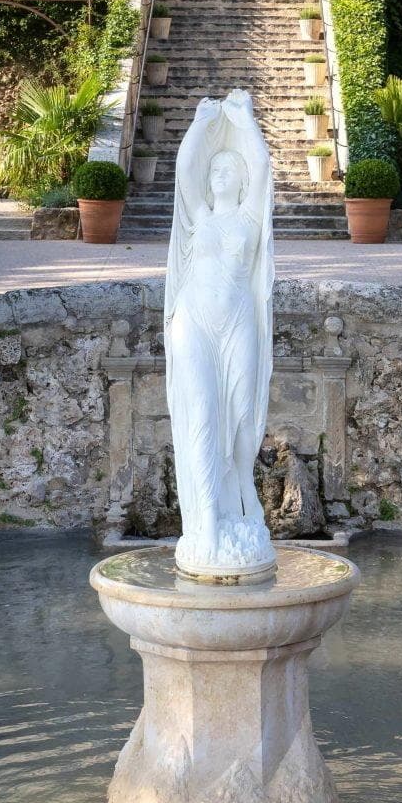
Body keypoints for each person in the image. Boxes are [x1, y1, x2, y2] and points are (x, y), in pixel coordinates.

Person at [162, 89, 277, 579]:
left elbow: (263, 164)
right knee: (205, 417)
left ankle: (241, 494)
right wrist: (199, 124)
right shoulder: (199, 217)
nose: (218, 174)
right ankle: (207, 523)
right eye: (216, 171)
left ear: (240, 180)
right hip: (193, 322)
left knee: (243, 416)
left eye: (227, 170)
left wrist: (245, 121)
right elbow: (185, 169)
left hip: (237, 324)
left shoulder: (250, 218)